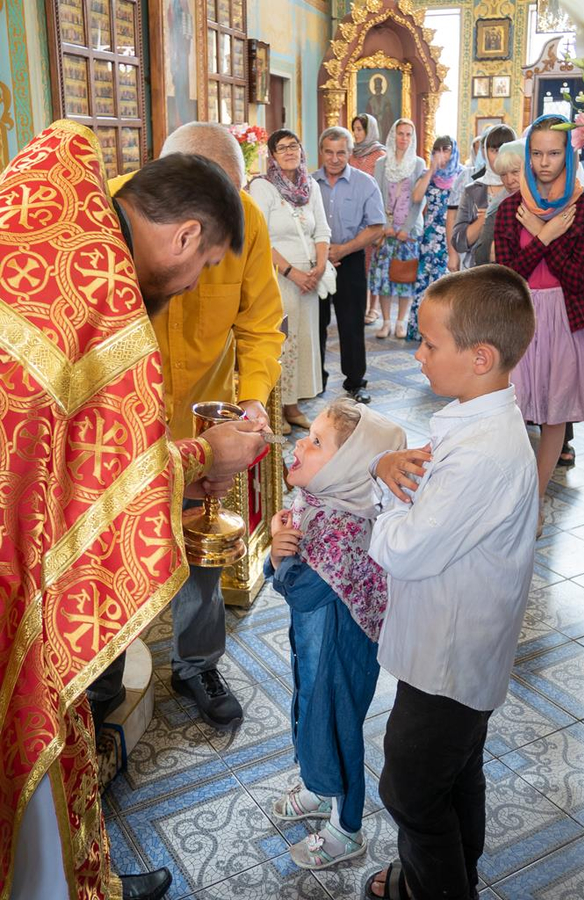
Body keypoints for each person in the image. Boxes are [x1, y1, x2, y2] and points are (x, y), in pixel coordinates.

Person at [1, 121, 267, 900]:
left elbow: (72, 457)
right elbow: (81, 492)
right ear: (185, 234)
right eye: (203, 266)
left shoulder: (63, 212)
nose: (193, 286)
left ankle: (85, 877)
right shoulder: (93, 297)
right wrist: (203, 459)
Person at [89, 122, 284, 735]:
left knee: (199, 546)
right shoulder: (114, 210)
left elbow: (260, 326)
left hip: (204, 418)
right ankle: (101, 677)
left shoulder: (245, 221)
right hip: (120, 426)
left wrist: (250, 405)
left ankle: (197, 664)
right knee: (110, 548)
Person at [365, 265, 538, 900]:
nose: (417, 353)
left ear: (481, 357)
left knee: (408, 790)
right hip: (454, 652)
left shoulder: (485, 452)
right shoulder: (475, 422)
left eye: (431, 344)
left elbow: (407, 550)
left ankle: (432, 886)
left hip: (448, 662)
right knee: (456, 775)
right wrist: (396, 473)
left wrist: (384, 490)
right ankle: (448, 874)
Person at [265, 399, 407, 869]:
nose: (300, 443)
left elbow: (304, 592)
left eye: (317, 443)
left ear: (345, 469)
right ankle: (316, 787)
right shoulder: (320, 500)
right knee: (310, 710)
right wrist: (280, 553)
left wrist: (279, 558)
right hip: (314, 647)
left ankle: (347, 827)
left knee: (337, 725)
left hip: (339, 657)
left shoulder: (347, 527)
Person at [494, 113, 584, 535]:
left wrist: (545, 233)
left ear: (569, 156)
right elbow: (509, 274)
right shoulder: (507, 209)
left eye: (554, 153)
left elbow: (578, 278)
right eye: (536, 153)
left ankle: (534, 500)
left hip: (566, 317)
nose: (543, 162)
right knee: (512, 411)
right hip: (520, 316)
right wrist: (543, 235)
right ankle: (512, 496)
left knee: (555, 414)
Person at [249, 128, 330, 434]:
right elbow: (261, 238)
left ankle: (293, 406)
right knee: (282, 342)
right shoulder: (263, 188)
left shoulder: (311, 186)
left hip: (310, 277)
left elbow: (322, 230)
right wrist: (292, 273)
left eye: (293, 146)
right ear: (272, 155)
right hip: (280, 277)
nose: (289, 152)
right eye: (281, 148)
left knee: (304, 342)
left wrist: (319, 267)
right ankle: (276, 406)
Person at [313, 126, 385, 404]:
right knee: (315, 324)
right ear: (322, 152)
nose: (334, 158)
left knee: (351, 324)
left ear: (350, 153)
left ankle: (356, 382)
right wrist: (321, 252)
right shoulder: (308, 184)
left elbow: (377, 226)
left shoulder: (365, 184)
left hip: (351, 258)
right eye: (329, 152)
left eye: (340, 152)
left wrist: (343, 249)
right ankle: (316, 381)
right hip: (316, 261)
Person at [370, 119, 426, 340]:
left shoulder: (419, 164)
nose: (404, 138)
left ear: (412, 138)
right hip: (385, 232)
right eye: (400, 134)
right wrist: (385, 226)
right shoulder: (382, 164)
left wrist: (406, 228)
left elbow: (418, 201)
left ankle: (400, 322)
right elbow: (376, 195)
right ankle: (385, 322)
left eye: (408, 134)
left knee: (405, 277)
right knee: (384, 278)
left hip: (409, 233)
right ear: (393, 136)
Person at [406, 136, 463, 340]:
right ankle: (422, 330)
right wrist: (431, 170)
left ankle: (444, 333)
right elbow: (416, 197)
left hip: (450, 239)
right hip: (430, 239)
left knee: (445, 286)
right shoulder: (429, 175)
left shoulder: (461, 174)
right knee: (425, 284)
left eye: (446, 150)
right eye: (437, 150)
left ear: (453, 151)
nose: (442, 154)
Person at [451, 124, 516, 268]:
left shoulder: (521, 188)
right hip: (476, 273)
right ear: (485, 152)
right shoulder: (473, 190)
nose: (500, 155)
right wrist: (484, 219)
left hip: (512, 272)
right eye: (494, 150)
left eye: (505, 149)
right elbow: (458, 242)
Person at [350, 114, 387, 325]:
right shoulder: (351, 155)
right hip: (353, 217)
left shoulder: (379, 155)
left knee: (373, 265)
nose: (356, 134)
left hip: (372, 217)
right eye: (354, 129)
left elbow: (382, 189)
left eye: (360, 129)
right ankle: (359, 305)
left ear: (369, 130)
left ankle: (373, 308)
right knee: (357, 264)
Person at [472, 139, 524, 266]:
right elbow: (481, 255)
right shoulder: (500, 206)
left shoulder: (546, 203)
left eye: (515, 172)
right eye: (503, 174)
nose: (509, 180)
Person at [446, 134, 486, 273]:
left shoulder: (510, 177)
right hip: (466, 251)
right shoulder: (467, 176)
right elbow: (452, 215)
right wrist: (452, 254)